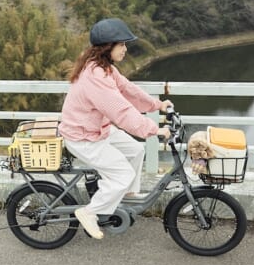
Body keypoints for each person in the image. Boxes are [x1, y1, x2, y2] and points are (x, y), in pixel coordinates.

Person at [58, 18, 172, 239]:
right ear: (108, 47)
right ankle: (89, 212)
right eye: (122, 45)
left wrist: (157, 105)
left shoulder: (105, 68)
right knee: (122, 174)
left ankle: (124, 196)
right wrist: (153, 129)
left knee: (136, 151)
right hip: (83, 137)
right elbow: (121, 111)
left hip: (98, 130)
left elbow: (128, 90)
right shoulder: (95, 76)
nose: (126, 49)